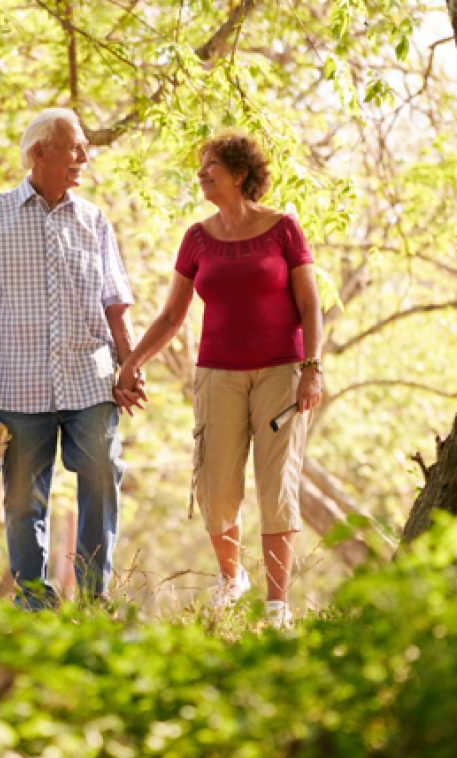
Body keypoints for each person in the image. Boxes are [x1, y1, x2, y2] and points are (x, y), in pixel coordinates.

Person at [116, 133, 323, 629]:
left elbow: (311, 303)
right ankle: (232, 580)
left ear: (239, 172)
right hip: (217, 377)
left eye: (210, 165)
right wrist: (132, 362)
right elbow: (171, 315)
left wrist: (312, 368)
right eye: (200, 166)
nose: (201, 173)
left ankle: (277, 609)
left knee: (277, 488)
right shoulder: (197, 237)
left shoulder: (283, 228)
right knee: (214, 486)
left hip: (280, 374)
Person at [0, 108, 143, 611]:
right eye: (74, 147)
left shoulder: (94, 219)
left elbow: (114, 303)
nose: (84, 157)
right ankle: (34, 600)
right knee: (21, 501)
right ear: (41, 153)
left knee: (103, 469)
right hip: (17, 382)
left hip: (89, 377)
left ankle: (95, 596)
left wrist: (129, 362)